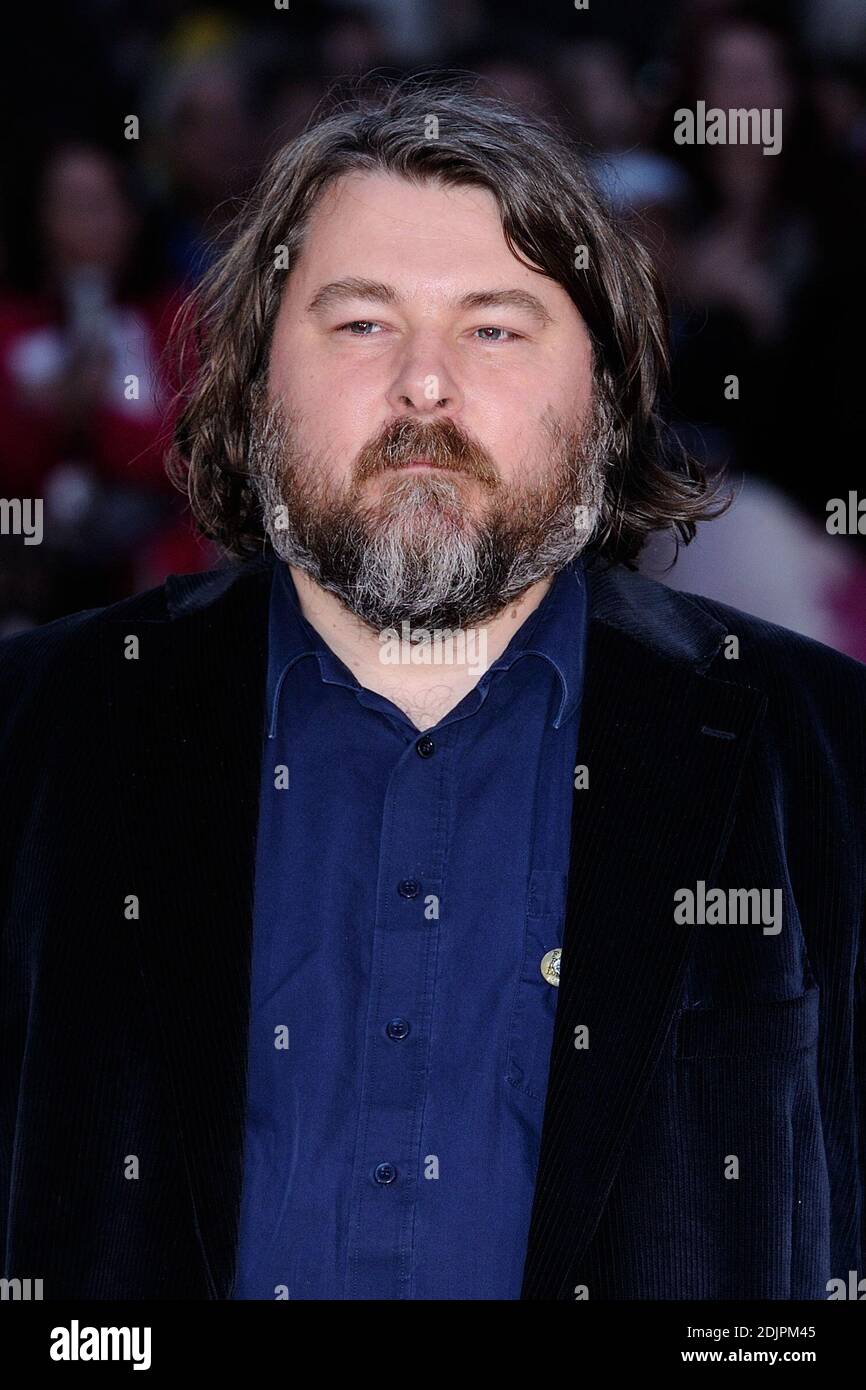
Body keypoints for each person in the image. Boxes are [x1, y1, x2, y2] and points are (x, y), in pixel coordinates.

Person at [1, 77, 864, 1302]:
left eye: (495, 327)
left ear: (607, 397)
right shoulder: (33, 736)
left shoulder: (825, 759)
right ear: (251, 392)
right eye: (359, 324)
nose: (423, 387)